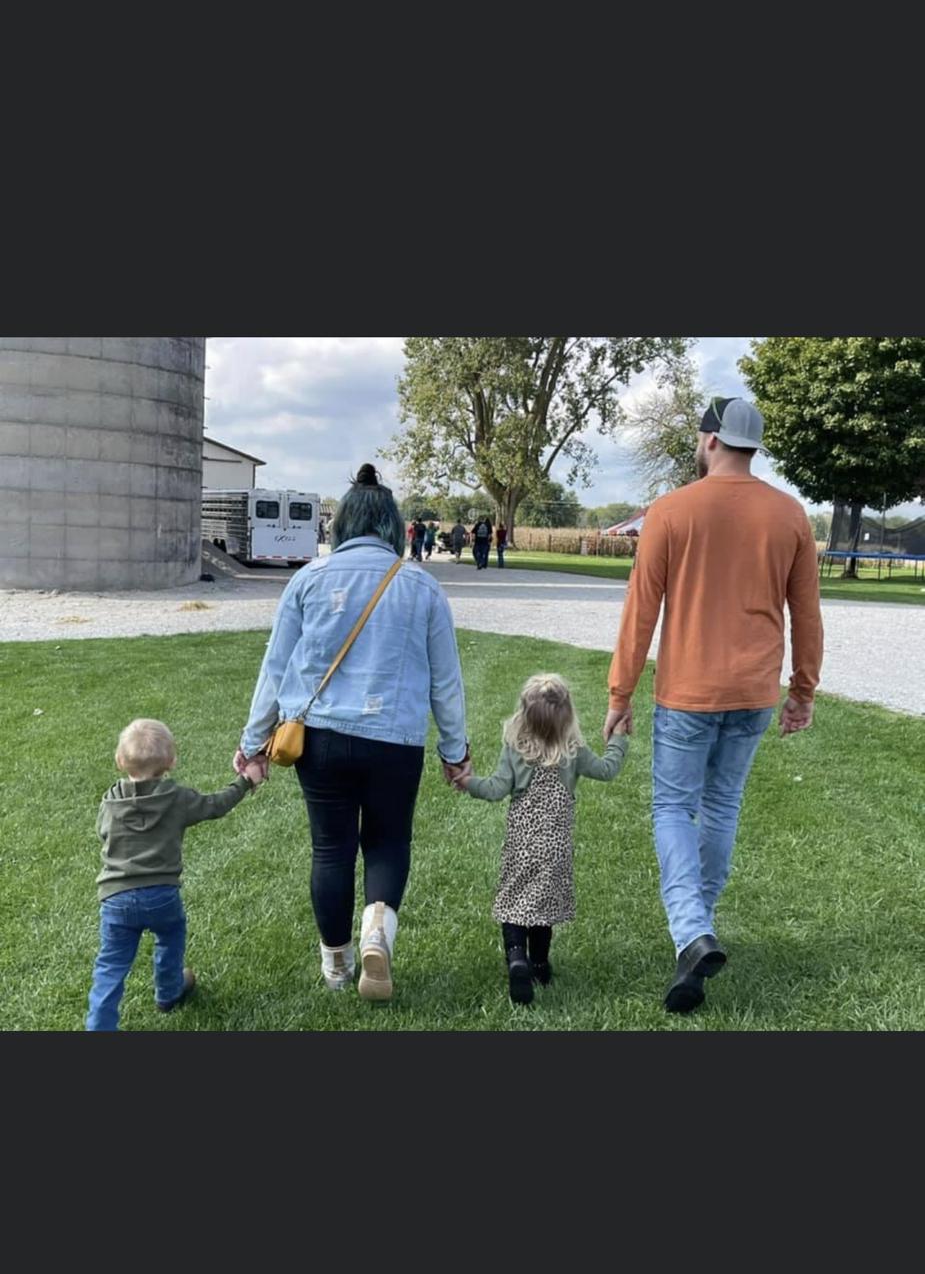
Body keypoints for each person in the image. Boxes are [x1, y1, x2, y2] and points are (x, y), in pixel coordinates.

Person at [605, 396, 824, 1016]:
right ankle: (695, 938)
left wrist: (620, 693)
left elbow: (640, 611)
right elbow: (807, 614)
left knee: (674, 807)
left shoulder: (672, 511)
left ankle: (690, 930)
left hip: (688, 690)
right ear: (752, 446)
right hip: (754, 691)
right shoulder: (790, 515)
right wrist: (802, 689)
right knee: (721, 804)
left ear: (710, 440)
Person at [236, 465, 469, 1003]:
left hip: (318, 738)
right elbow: (446, 680)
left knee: (330, 848)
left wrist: (253, 744)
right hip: (396, 739)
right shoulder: (422, 586)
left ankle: (337, 965)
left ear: (341, 524)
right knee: (388, 840)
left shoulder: (308, 579)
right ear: (393, 525)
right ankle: (377, 930)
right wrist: (455, 751)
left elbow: (276, 668)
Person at [454, 674, 630, 1006]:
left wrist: (468, 782)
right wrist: (618, 738)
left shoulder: (516, 747)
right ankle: (538, 965)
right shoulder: (573, 750)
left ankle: (516, 957)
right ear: (568, 716)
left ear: (524, 714)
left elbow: (495, 789)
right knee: (543, 907)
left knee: (514, 901)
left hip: (521, 844)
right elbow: (607, 769)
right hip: (555, 847)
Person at [86, 719, 266, 1032]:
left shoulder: (110, 800)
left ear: (119, 761)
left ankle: (99, 1026)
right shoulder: (176, 798)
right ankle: (169, 992)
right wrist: (244, 781)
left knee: (110, 966)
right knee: (170, 937)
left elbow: (103, 833)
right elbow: (215, 805)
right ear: (171, 761)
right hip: (162, 896)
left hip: (116, 899)